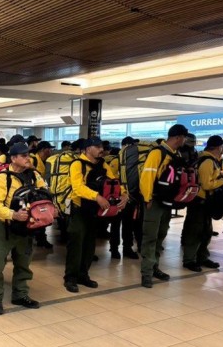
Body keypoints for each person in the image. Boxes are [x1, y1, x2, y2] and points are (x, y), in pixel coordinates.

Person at [64, 137, 128, 293]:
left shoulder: (103, 164)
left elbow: (114, 181)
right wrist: (97, 197)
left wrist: (124, 194)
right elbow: (78, 188)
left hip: (95, 210)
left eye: (101, 146)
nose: (101, 149)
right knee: (76, 244)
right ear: (87, 149)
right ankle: (70, 278)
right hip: (79, 209)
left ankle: (83, 274)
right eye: (97, 146)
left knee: (89, 244)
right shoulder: (77, 164)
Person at [0, 142, 44, 315]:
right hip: (5, 226)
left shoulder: (34, 175)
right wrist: (13, 215)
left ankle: (20, 295)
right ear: (13, 158)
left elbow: (44, 193)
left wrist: (49, 208)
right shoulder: (1, 178)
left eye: (29, 155)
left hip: (27, 226)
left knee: (24, 263)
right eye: (24, 156)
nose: (28, 158)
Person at [139, 124, 189, 288]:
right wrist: (147, 199)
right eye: (184, 137)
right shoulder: (157, 152)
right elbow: (147, 176)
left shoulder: (176, 153)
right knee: (150, 237)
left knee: (160, 236)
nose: (184, 140)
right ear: (178, 137)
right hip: (153, 202)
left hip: (167, 202)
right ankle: (146, 273)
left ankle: (154, 268)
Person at [182, 135, 223, 272]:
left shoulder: (210, 159)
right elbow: (206, 184)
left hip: (205, 202)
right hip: (199, 201)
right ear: (219, 147)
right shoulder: (208, 161)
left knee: (206, 231)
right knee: (195, 231)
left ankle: (202, 257)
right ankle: (189, 260)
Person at [31, 140, 55, 249]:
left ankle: (41, 238)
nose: (51, 151)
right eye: (49, 149)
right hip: (32, 193)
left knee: (41, 214)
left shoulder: (45, 161)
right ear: (43, 150)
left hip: (41, 192)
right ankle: (39, 238)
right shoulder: (33, 159)